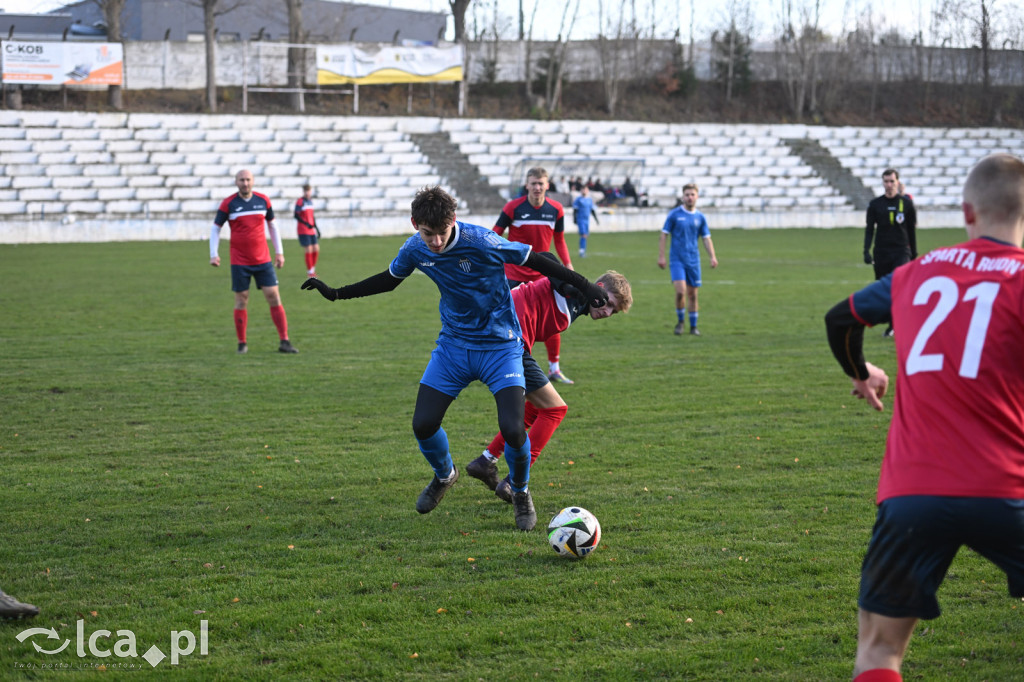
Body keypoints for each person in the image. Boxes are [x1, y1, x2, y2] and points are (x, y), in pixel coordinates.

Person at [301, 186, 609, 532]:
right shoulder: (415, 247)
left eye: (441, 233)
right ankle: (445, 475)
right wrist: (337, 294)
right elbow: (389, 281)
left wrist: (586, 286)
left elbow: (540, 259)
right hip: (454, 347)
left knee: (512, 427)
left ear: (454, 220)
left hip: (501, 347)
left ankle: (520, 492)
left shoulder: (482, 242)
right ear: (415, 223)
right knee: (423, 424)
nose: (434, 242)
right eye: (427, 233)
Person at [824, 153, 1024, 682]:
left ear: (966, 211)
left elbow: (841, 317)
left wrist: (861, 370)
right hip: (1009, 488)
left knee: (878, 649)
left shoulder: (917, 273)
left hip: (914, 492)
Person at [466, 268, 633, 502]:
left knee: (537, 406)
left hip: (504, 338)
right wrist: (573, 283)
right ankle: (515, 481)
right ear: (601, 289)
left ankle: (486, 461)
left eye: (613, 311)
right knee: (555, 409)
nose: (607, 312)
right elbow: (548, 259)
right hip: (507, 341)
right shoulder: (574, 289)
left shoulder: (578, 308)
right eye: (609, 304)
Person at [494, 167, 576, 385]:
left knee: (553, 319)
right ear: (527, 185)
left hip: (543, 276)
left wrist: (567, 265)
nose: (537, 187)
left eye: (541, 183)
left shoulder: (556, 210)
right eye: (533, 183)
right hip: (513, 274)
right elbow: (494, 235)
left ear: (547, 185)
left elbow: (558, 240)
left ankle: (555, 369)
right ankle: (505, 366)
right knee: (511, 322)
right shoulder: (513, 208)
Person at [210, 169, 298, 355]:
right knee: (241, 299)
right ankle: (242, 343)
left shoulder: (263, 200)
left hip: (263, 260)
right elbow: (216, 228)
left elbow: (273, 226)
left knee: (273, 296)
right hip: (239, 261)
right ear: (236, 182)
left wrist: (279, 253)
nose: (245, 183)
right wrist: (214, 253)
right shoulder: (229, 204)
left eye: (248, 180)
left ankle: (285, 341)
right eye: (242, 180)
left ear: (253, 181)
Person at [657, 182, 718, 336]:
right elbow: (664, 234)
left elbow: (706, 238)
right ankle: (680, 322)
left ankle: (693, 326)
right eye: (687, 195)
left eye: (692, 194)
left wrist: (712, 257)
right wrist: (662, 256)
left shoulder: (700, 217)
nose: (690, 197)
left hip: (694, 260)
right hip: (677, 259)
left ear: (697, 197)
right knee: (680, 292)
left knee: (693, 294)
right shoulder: (674, 215)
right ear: (682, 197)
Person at [864, 168, 918, 338]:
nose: (888, 185)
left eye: (891, 181)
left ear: (897, 182)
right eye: (886, 181)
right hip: (881, 252)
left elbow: (911, 230)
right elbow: (869, 230)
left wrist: (913, 252)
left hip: (901, 251)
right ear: (882, 183)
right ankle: (892, 323)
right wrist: (866, 250)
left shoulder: (906, 204)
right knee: (885, 290)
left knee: (898, 285)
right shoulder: (875, 204)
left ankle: (899, 324)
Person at [294, 184, 320, 277]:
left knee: (316, 248)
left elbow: (312, 216)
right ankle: (310, 272)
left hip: (311, 230)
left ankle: (312, 269)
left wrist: (317, 228)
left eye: (308, 190)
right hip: (303, 230)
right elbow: (296, 215)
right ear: (303, 191)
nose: (307, 192)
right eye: (305, 191)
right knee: (308, 249)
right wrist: (305, 223)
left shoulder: (310, 202)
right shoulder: (300, 201)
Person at [572, 185, 600, 258]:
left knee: (585, 236)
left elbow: (592, 210)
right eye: (583, 189)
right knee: (583, 235)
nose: (584, 191)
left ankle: (583, 251)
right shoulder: (578, 199)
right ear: (581, 191)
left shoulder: (589, 200)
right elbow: (575, 210)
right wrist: (574, 219)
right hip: (580, 219)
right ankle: (581, 252)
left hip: (586, 220)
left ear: (587, 191)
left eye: (585, 189)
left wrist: (596, 219)